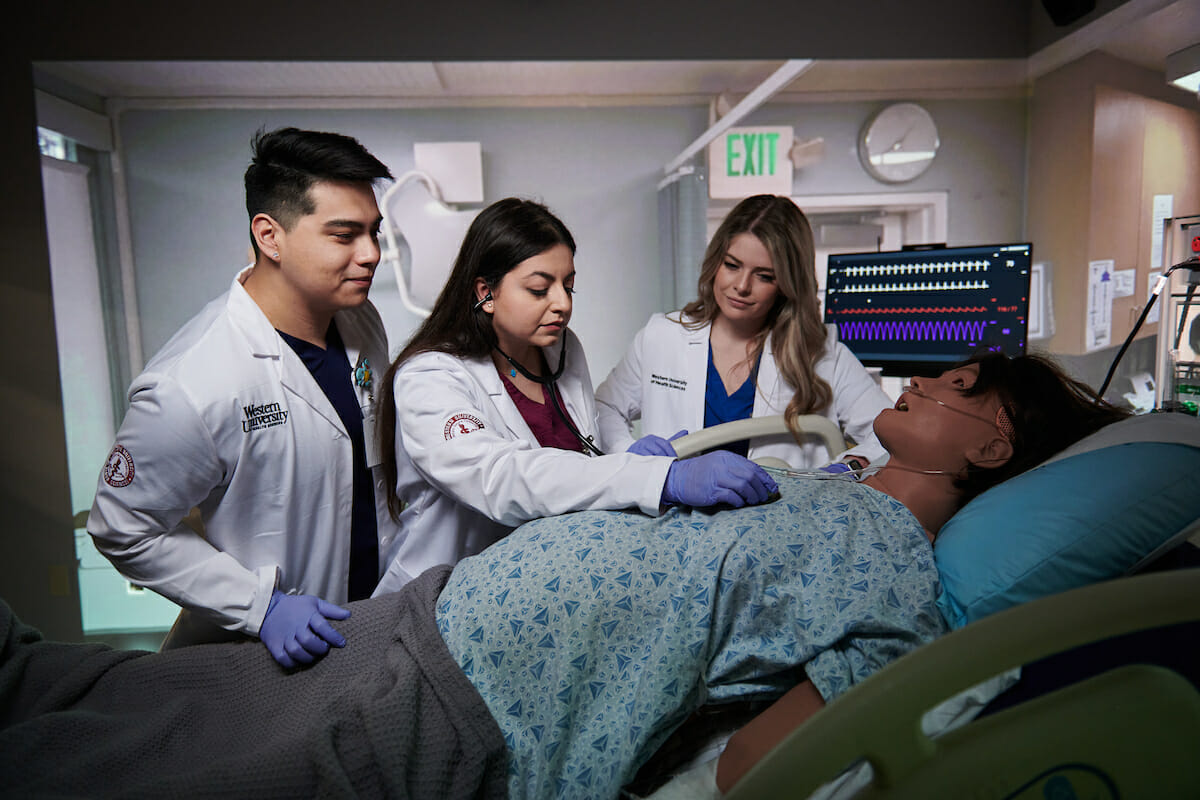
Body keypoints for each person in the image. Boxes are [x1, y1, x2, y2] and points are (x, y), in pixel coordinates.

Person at [3, 353, 1128, 799]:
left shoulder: (896, 574)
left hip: (490, 705)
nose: (930, 374)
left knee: (154, 771)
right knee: (138, 701)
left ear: (990, 449)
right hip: (433, 618)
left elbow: (766, 762)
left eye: (964, 380)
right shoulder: (831, 485)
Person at [87, 127, 401, 668]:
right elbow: (122, 528)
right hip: (262, 652)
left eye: (374, 232)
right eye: (344, 235)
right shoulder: (191, 384)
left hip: (374, 626)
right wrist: (263, 607)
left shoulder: (361, 320)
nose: (371, 254)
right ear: (269, 235)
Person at [371, 197, 778, 593]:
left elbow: (578, 457)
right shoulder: (431, 376)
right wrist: (655, 478)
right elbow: (501, 479)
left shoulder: (561, 350)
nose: (562, 305)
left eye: (569, 287)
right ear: (486, 293)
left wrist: (621, 458)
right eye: (539, 289)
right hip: (445, 592)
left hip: (543, 583)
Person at [595, 194, 892, 472]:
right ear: (715, 262)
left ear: (788, 283)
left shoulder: (824, 355)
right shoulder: (662, 337)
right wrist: (631, 457)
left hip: (782, 520)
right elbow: (604, 408)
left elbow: (891, 435)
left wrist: (846, 468)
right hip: (675, 517)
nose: (742, 286)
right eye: (732, 265)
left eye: (764, 276)